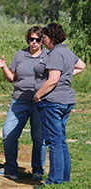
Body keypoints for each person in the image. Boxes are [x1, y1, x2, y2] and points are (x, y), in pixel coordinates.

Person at [0, 26, 47, 181]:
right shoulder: (20, 55)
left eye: (37, 39)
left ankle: (37, 171)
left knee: (39, 138)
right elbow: (12, 77)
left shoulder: (49, 56)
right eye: (31, 39)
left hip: (39, 102)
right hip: (19, 101)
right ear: (27, 39)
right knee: (8, 133)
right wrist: (3, 67)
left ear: (42, 41)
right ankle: (10, 169)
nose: (34, 42)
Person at [34, 23, 85, 186]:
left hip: (54, 102)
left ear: (52, 39)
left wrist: (37, 95)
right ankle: (64, 178)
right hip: (67, 101)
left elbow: (53, 80)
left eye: (44, 38)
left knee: (54, 141)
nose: (43, 41)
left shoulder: (55, 54)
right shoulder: (68, 52)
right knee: (61, 140)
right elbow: (81, 66)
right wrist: (67, 76)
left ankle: (54, 180)